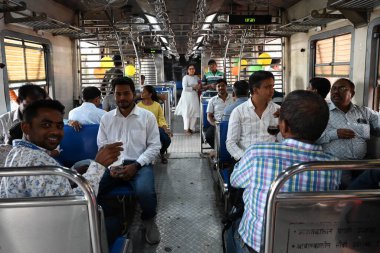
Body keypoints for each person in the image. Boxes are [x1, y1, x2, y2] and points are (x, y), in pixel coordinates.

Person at [228, 90, 341, 253]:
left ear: (284, 126)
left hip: (259, 246)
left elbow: (235, 180)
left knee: (233, 226)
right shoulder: (333, 165)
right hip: (304, 246)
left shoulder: (258, 153)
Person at [97, 77, 161, 245]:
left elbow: (154, 146)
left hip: (139, 163)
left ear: (134, 94)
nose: (122, 98)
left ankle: (148, 220)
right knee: (92, 188)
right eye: (118, 94)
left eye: (126, 93)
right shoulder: (106, 118)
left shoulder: (147, 117)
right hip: (112, 164)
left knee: (145, 192)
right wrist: (112, 166)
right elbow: (102, 146)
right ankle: (112, 218)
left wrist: (136, 165)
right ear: (114, 96)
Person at [317, 78, 380, 188]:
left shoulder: (364, 112)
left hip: (362, 163)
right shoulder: (321, 112)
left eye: (342, 88)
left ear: (352, 93)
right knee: (351, 188)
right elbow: (312, 138)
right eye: (334, 89)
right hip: (337, 164)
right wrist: (334, 134)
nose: (336, 92)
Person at [226, 71, 280, 161]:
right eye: (267, 87)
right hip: (246, 160)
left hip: (272, 160)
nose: (272, 90)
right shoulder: (238, 112)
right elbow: (231, 143)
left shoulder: (278, 111)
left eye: (272, 86)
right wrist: (245, 159)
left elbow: (283, 140)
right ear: (255, 90)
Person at [137, 85, 172, 164]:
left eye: (144, 92)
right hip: (142, 129)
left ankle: (161, 153)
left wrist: (165, 129)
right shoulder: (138, 106)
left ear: (150, 95)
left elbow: (161, 119)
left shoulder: (157, 105)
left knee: (167, 140)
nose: (142, 93)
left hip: (156, 128)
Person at [206, 79, 233, 149]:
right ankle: (218, 150)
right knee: (209, 136)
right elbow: (209, 116)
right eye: (219, 86)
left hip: (232, 123)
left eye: (223, 86)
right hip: (218, 124)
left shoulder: (233, 99)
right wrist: (214, 123)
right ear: (216, 88)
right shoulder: (212, 100)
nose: (221, 88)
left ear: (226, 87)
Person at [174, 64, 200, 135]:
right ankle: (186, 129)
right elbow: (185, 88)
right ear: (188, 70)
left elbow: (199, 85)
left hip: (194, 96)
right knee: (187, 112)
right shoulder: (185, 77)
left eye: (193, 69)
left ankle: (192, 128)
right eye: (190, 69)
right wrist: (193, 88)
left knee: (195, 112)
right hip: (186, 97)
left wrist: (198, 87)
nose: (192, 70)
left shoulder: (196, 77)